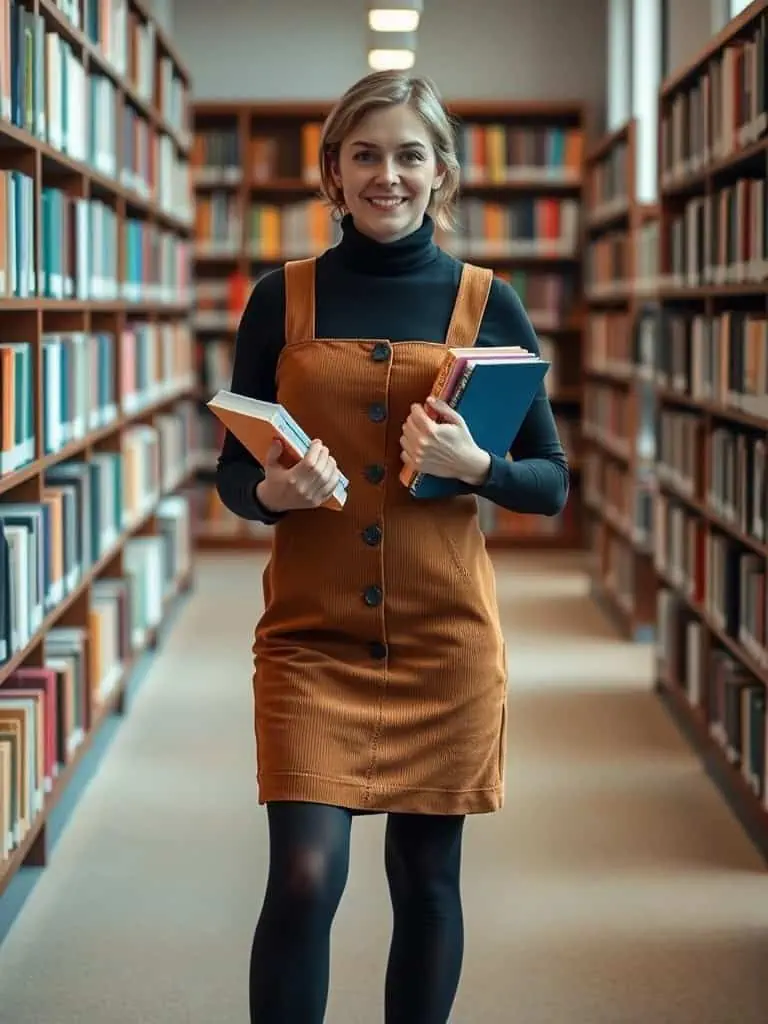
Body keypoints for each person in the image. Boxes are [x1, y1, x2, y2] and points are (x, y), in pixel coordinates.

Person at [215, 70, 569, 1024]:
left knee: (427, 887)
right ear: (332, 172)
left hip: (443, 641)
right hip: (309, 641)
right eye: (364, 154)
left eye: (410, 154)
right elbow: (230, 473)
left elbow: (552, 480)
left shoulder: (489, 302)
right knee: (302, 877)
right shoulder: (277, 300)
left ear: (441, 171)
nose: (387, 175)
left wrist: (477, 463)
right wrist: (273, 491)